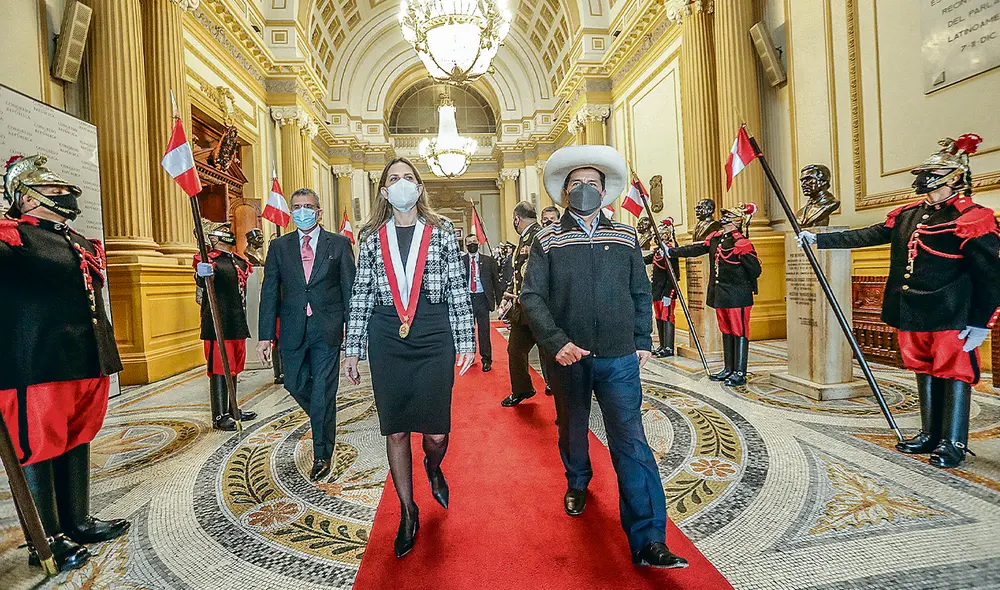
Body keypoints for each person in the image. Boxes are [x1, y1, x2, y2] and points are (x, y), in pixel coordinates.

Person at [520, 145, 688, 569]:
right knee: (573, 427)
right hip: (568, 357)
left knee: (631, 441)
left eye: (591, 184)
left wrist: (642, 339)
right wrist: (556, 342)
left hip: (618, 358)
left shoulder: (626, 236)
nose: (584, 190)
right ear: (564, 192)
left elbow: (638, 289)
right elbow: (532, 297)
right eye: (575, 184)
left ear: (604, 190)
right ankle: (578, 480)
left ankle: (650, 538)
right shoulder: (547, 239)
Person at [799, 134, 1000, 469]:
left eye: (932, 177)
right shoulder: (909, 215)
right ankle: (929, 434)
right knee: (922, 368)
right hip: (912, 309)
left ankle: (953, 442)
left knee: (954, 373)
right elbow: (869, 234)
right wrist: (820, 239)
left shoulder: (972, 218)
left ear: (954, 179)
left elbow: (991, 275)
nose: (924, 183)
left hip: (951, 310)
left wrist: (980, 322)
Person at [0, 155, 130, 571]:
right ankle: (48, 538)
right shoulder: (11, 237)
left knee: (77, 438)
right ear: (26, 198)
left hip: (85, 358)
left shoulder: (77, 241)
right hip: (37, 361)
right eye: (54, 193)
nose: (64, 198)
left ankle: (77, 520)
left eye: (63, 192)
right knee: (41, 446)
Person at [344, 158, 475, 558]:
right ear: (384, 192)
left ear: (420, 188)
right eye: (393, 179)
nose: (401, 184)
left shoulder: (442, 232)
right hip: (386, 335)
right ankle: (407, 509)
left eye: (408, 178)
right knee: (396, 429)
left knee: (436, 432)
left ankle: (433, 466)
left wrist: (467, 339)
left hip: (434, 331)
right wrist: (352, 348)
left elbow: (457, 288)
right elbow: (361, 294)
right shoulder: (370, 237)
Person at [257, 188, 356, 482]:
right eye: (297, 207)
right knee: (295, 384)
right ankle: (322, 412)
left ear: (319, 212)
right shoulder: (279, 247)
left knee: (323, 389)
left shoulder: (338, 245)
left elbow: (349, 290)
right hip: (292, 329)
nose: (303, 211)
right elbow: (269, 292)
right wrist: (265, 336)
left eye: (308, 206)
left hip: (327, 329)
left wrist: (354, 333)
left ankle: (322, 454)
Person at [666, 203, 761, 386]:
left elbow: (755, 270)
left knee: (739, 331)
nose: (723, 219)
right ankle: (728, 369)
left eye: (727, 217)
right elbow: (696, 249)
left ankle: (739, 372)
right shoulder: (717, 239)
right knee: (726, 330)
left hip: (738, 296)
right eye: (723, 215)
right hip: (721, 295)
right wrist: (671, 251)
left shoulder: (741, 243)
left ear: (736, 222)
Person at [193, 220, 258, 431]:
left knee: (234, 367)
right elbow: (202, 282)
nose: (227, 232)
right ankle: (220, 415)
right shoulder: (209, 261)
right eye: (222, 230)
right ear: (212, 238)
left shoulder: (237, 260)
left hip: (236, 321)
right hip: (217, 323)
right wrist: (200, 275)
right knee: (220, 369)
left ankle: (233, 409)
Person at [500, 201, 547, 406]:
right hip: (523, 308)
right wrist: (509, 293)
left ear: (516, 218)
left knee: (549, 354)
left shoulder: (538, 235)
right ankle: (522, 389)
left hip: (539, 307)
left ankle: (564, 401)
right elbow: (520, 273)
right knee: (515, 349)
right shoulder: (526, 237)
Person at [462, 234, 502, 372]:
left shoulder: (489, 261)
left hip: (482, 299)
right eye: (469, 242)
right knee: (468, 331)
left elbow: (496, 282)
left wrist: (499, 300)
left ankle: (486, 359)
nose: (472, 244)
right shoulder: (461, 261)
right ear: (465, 245)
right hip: (467, 300)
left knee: (484, 331)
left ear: (478, 243)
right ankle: (470, 356)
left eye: (474, 241)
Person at [643, 218, 680, 357]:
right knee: (659, 316)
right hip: (657, 290)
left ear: (665, 235)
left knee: (667, 317)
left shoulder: (670, 250)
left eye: (657, 234)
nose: (654, 237)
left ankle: (669, 347)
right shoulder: (658, 251)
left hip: (666, 290)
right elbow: (647, 259)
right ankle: (662, 345)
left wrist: (669, 292)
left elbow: (674, 274)